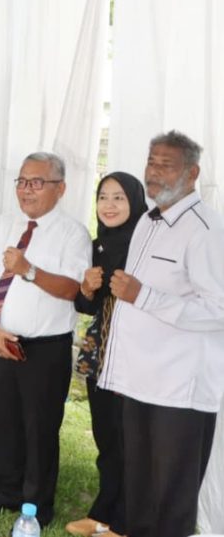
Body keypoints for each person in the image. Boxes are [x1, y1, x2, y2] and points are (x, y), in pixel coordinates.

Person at [98, 131, 224, 537]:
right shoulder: (147, 223)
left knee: (171, 505)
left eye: (165, 165)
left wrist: (145, 296)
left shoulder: (206, 229)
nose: (153, 172)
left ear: (193, 173)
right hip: (140, 383)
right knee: (141, 495)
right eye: (151, 162)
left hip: (179, 392)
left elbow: (218, 309)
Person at [0, 152, 90, 528]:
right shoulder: (6, 223)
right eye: (21, 181)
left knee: (39, 427)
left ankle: (36, 505)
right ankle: (6, 492)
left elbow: (73, 289)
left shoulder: (73, 233)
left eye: (36, 182)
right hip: (4, 339)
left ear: (60, 188)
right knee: (5, 421)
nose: (26, 190)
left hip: (46, 349)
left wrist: (29, 270)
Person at [64, 172, 145, 537]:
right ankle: (102, 513)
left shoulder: (145, 246)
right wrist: (86, 286)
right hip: (100, 353)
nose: (109, 206)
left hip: (133, 356)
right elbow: (85, 305)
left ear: (135, 202)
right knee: (106, 438)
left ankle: (126, 522)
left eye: (118, 198)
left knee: (129, 441)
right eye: (103, 197)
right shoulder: (99, 245)